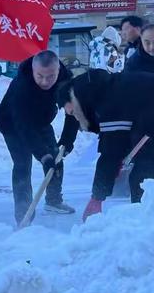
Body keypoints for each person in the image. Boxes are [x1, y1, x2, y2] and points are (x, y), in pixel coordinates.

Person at [57, 69, 154, 221]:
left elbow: (111, 151)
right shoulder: (104, 90)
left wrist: (97, 197)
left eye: (73, 113)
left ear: (75, 100)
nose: (75, 118)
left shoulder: (110, 103)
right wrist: (66, 141)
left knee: (142, 178)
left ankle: (144, 225)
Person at [0, 50, 78, 225]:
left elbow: (74, 111)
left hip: (41, 120)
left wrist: (67, 140)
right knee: (22, 165)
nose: (45, 81)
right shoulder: (22, 86)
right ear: (33, 71)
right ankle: (23, 212)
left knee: (56, 156)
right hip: (13, 124)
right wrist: (43, 155)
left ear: (58, 71)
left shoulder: (66, 81)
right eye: (40, 76)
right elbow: (23, 127)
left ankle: (54, 200)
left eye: (51, 77)